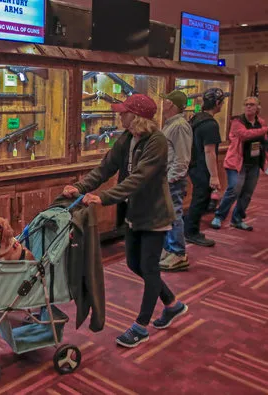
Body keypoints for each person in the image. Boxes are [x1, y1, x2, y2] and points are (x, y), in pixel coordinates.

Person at [62, 94, 188, 348]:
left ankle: (141, 326)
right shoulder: (127, 138)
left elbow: (138, 178)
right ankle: (173, 304)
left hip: (155, 214)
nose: (120, 116)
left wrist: (103, 197)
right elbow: (105, 168)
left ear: (137, 116)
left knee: (149, 268)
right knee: (134, 264)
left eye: (124, 112)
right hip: (134, 212)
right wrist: (79, 187)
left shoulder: (157, 141)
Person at [211, 96, 268, 231]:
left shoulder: (260, 122)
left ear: (258, 108)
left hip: (253, 163)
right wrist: (265, 130)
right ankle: (219, 216)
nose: (249, 107)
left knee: (247, 193)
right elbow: (244, 135)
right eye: (246, 104)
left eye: (252, 105)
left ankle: (237, 219)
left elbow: (264, 143)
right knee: (233, 190)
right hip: (236, 163)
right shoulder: (237, 121)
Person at [184, 88, 228, 247]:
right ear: (217, 103)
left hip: (194, 164)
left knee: (200, 198)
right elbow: (209, 151)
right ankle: (191, 232)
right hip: (202, 167)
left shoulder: (196, 118)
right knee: (200, 200)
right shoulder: (210, 124)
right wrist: (214, 176)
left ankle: (189, 228)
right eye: (221, 102)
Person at [159, 90, 193, 271]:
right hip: (167, 178)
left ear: (171, 104)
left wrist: (170, 179)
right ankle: (170, 249)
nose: (163, 104)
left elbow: (182, 159)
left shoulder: (179, 125)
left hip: (173, 180)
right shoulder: (171, 124)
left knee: (174, 215)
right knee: (168, 216)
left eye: (165, 101)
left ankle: (178, 253)